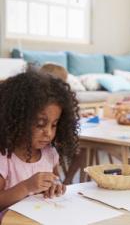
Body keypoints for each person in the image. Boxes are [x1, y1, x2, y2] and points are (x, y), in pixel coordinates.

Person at [0, 71, 80, 213]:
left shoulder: (50, 153)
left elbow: (54, 180)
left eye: (54, 125)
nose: (48, 133)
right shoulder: (4, 157)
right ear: (17, 120)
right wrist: (26, 187)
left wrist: (55, 185)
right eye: (40, 124)